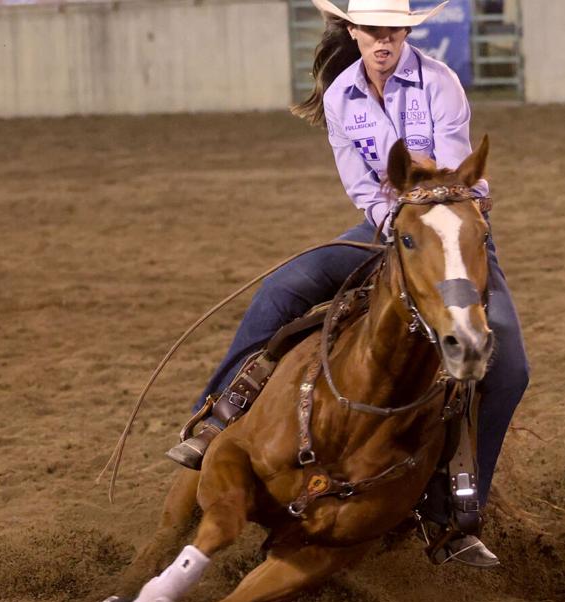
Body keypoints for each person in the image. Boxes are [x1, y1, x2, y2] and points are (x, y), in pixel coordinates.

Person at [167, 0, 529, 567]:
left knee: (508, 366)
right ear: (353, 32)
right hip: (381, 228)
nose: (383, 42)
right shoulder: (341, 97)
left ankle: (455, 511)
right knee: (285, 288)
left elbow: (452, 179)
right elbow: (362, 186)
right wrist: (391, 220)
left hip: (446, 232)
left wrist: (414, 213)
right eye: (372, 32)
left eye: (393, 32)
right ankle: (218, 412)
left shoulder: (440, 84)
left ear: (406, 33)